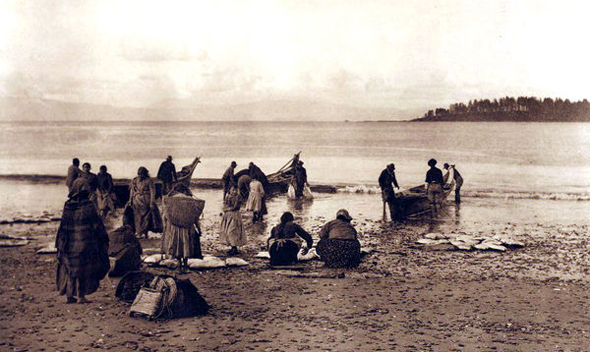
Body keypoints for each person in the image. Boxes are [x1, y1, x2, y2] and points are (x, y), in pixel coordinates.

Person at [55, 184, 110, 304]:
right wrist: (103, 238)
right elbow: (96, 225)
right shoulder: (88, 206)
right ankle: (80, 296)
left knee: (70, 269)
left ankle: (69, 295)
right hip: (85, 242)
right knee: (83, 270)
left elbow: (63, 225)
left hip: (68, 241)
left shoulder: (68, 206)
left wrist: (60, 243)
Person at [162, 185, 204, 272]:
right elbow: (195, 217)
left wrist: (166, 227)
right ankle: (185, 266)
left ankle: (178, 266)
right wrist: (199, 229)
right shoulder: (190, 200)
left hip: (175, 227)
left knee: (176, 245)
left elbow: (166, 215)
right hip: (187, 227)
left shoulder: (171, 200)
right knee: (186, 245)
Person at [128, 167, 160, 238]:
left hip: (146, 201)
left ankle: (144, 232)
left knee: (146, 218)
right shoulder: (135, 180)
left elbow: (152, 192)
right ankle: (139, 232)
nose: (140, 176)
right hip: (137, 201)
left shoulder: (149, 181)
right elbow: (132, 191)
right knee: (137, 217)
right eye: (139, 174)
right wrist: (130, 200)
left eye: (141, 174)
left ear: (145, 174)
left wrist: (152, 202)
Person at [219, 186, 245, 256]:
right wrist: (224, 210)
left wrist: (227, 209)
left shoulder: (238, 197)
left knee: (232, 231)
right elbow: (224, 205)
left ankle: (234, 247)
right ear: (229, 190)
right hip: (228, 215)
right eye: (233, 190)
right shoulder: (227, 197)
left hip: (234, 215)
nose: (234, 192)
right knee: (227, 231)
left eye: (236, 190)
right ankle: (232, 246)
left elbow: (235, 207)